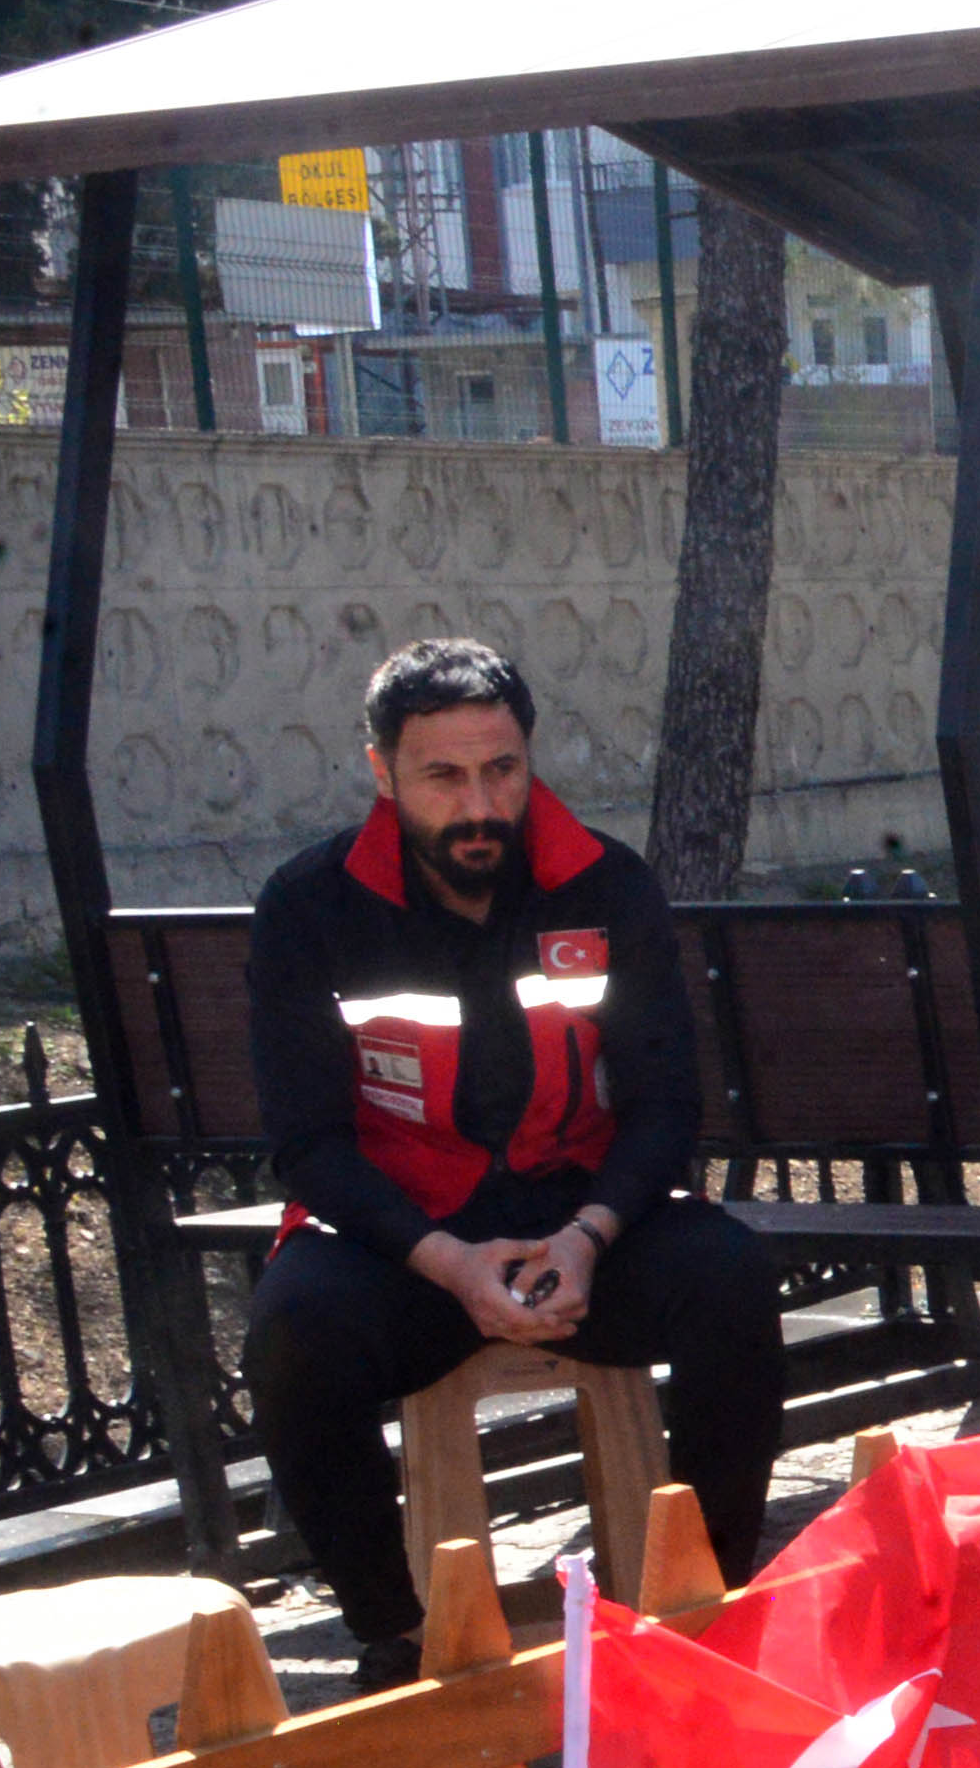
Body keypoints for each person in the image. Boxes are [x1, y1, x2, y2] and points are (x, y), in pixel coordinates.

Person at [240, 637, 783, 1699]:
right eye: (444, 776)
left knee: (729, 1276)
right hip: (408, 1245)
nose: (480, 805)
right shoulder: (309, 907)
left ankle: (706, 1600)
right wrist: (445, 1261)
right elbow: (307, 1143)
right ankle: (396, 1635)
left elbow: (666, 1103)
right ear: (382, 772)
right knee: (293, 1331)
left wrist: (589, 1235)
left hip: (580, 1230)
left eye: (502, 770)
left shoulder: (608, 885)